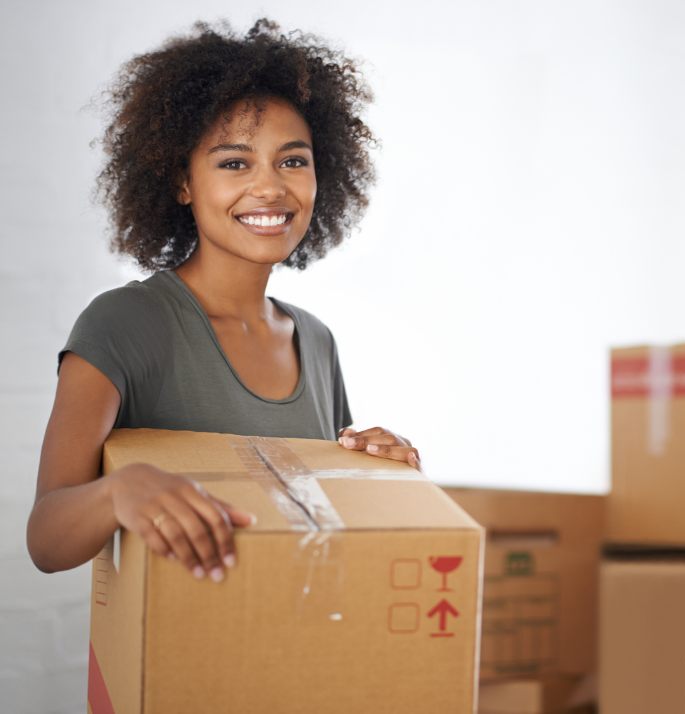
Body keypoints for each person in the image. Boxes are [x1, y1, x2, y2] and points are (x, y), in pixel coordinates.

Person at [27, 19, 420, 584]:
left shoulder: (315, 341)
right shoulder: (125, 324)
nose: (270, 187)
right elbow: (45, 538)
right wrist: (118, 492)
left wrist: (384, 469)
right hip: (179, 657)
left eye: (293, 160)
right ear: (182, 183)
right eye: (234, 163)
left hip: (295, 650)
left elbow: (325, 526)